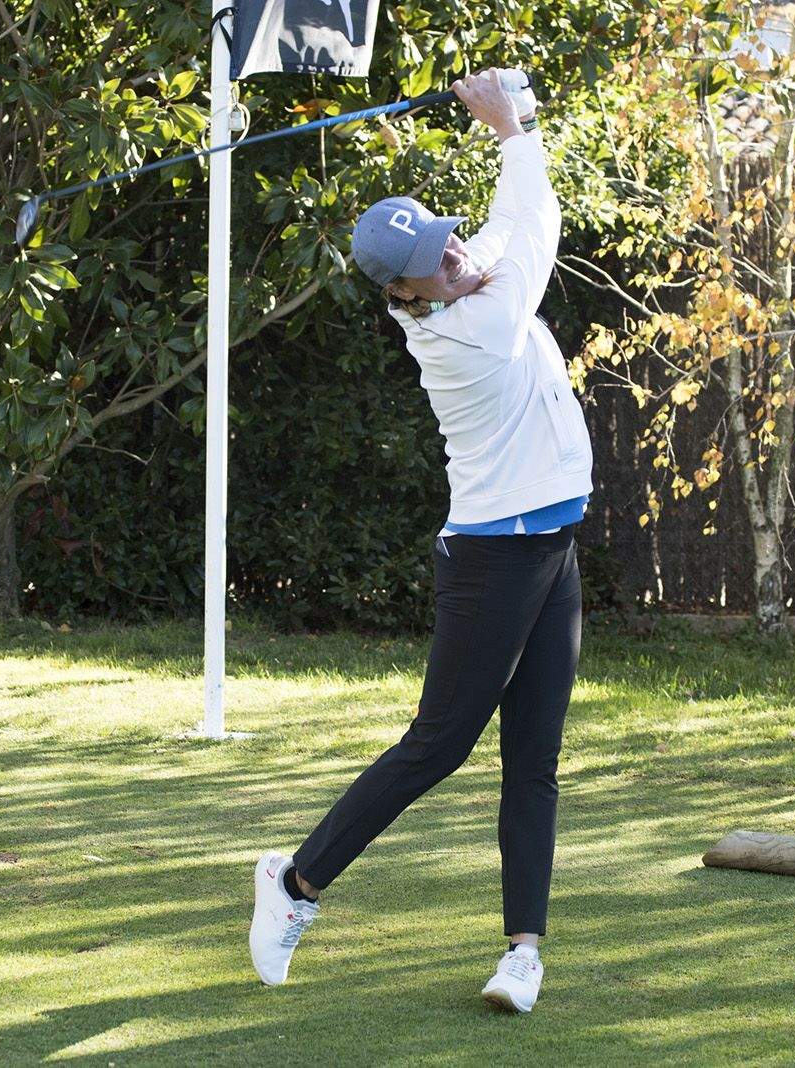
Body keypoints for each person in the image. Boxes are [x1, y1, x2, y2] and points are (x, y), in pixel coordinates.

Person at [249, 69, 593, 1014]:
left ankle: (522, 953)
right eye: (437, 266)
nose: (456, 260)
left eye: (449, 243)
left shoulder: (462, 279)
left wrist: (515, 121)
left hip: (552, 545)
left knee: (536, 755)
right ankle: (294, 885)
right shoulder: (469, 328)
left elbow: (512, 218)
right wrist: (510, 125)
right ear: (406, 296)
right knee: (440, 743)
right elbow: (541, 229)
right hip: (494, 560)